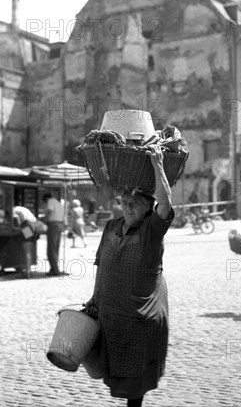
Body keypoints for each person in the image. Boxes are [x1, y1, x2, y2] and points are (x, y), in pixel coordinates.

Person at [83, 144, 173, 407]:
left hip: (141, 318)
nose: (128, 208)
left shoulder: (151, 231)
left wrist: (157, 164)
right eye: (124, 203)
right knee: (115, 372)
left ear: (148, 207)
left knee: (135, 384)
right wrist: (94, 298)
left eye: (135, 203)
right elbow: (101, 265)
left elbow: (166, 205)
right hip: (112, 315)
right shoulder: (111, 227)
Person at [42, 193, 65, 276]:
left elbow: (50, 211)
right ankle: (54, 268)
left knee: (51, 249)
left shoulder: (50, 201)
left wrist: (44, 220)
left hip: (53, 226)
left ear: (46, 199)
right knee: (55, 248)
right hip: (59, 225)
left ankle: (54, 269)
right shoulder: (59, 203)